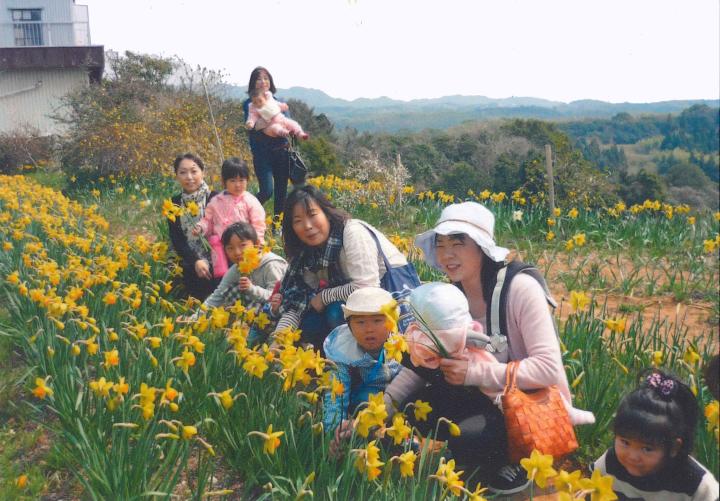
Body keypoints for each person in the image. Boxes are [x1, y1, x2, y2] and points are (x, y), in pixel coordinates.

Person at [382, 201, 594, 495]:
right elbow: (420, 364)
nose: (447, 254)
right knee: (412, 407)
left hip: (528, 405)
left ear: (482, 246)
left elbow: (547, 369)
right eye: (440, 245)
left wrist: (474, 373)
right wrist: (383, 407)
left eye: (458, 243)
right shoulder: (451, 297)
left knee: (470, 438)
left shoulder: (520, 288)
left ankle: (509, 462)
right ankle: (475, 456)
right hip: (481, 398)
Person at [271, 184, 409, 351]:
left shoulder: (352, 232)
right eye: (298, 221)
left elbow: (366, 288)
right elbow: (298, 301)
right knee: (309, 322)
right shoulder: (306, 255)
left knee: (336, 312)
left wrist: (324, 296)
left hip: (382, 296)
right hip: (355, 302)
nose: (307, 226)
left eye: (312, 215)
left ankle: (365, 365)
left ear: (326, 213)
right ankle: (333, 360)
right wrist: (279, 340)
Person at [594, 369, 719, 500]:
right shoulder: (609, 465)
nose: (633, 456)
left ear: (674, 447)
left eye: (647, 449)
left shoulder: (698, 486)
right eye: (625, 442)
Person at [322, 287, 403, 433]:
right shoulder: (342, 350)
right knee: (366, 399)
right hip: (365, 398)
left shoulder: (401, 343)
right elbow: (335, 395)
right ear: (349, 325)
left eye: (377, 320)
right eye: (360, 322)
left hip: (397, 396)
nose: (369, 329)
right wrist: (334, 430)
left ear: (392, 323)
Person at [192, 222, 287, 344]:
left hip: (283, 310)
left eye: (242, 245)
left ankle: (263, 340)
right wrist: (194, 318)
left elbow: (275, 298)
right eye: (230, 248)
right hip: (261, 311)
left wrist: (251, 289)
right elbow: (218, 295)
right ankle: (242, 335)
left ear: (257, 244)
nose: (237, 252)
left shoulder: (271, 264)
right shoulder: (238, 268)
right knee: (231, 291)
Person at [168, 152, 220, 300]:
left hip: (216, 256)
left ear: (202, 172)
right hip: (189, 258)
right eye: (183, 172)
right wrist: (196, 260)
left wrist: (209, 259)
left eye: (194, 171)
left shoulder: (216, 198)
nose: (189, 177)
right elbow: (177, 239)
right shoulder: (174, 203)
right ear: (177, 176)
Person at [243, 66, 292, 218]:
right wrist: (273, 117)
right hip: (262, 154)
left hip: (282, 152)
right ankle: (244, 212)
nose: (263, 82)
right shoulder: (249, 103)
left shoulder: (279, 101)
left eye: (266, 78)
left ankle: (277, 225)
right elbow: (253, 126)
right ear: (253, 83)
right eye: (258, 79)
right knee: (267, 191)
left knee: (281, 191)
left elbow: (288, 123)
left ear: (270, 82)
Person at [194, 157, 266, 248]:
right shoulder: (216, 201)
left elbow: (258, 223)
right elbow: (207, 221)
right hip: (222, 245)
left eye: (241, 180)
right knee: (215, 244)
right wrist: (201, 227)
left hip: (243, 244)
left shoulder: (250, 201)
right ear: (224, 182)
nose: (237, 185)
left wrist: (258, 240)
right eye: (232, 181)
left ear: (247, 180)